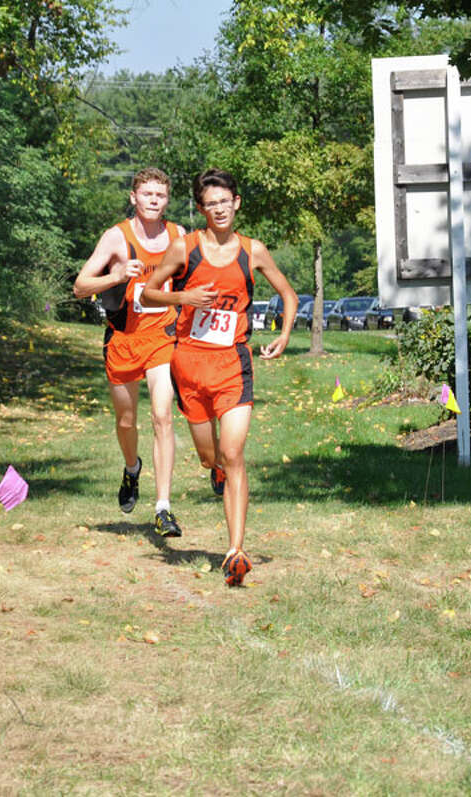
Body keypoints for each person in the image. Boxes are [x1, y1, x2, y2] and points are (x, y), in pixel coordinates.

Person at [141, 168, 298, 586]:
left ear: (236, 203)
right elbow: (146, 292)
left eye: (225, 202)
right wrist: (183, 297)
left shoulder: (253, 251)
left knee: (233, 454)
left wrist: (283, 335)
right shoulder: (184, 248)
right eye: (211, 204)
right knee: (211, 457)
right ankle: (214, 470)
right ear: (201, 209)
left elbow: (289, 294)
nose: (219, 209)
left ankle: (235, 551)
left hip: (234, 366)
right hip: (190, 367)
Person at [73, 168, 186, 537]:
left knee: (162, 415)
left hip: (162, 338)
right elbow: (80, 286)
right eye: (147, 194)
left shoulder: (178, 236)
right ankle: (132, 467)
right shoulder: (115, 238)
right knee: (126, 421)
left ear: (167, 200)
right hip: (123, 339)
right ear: (134, 198)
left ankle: (163, 507)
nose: (154, 200)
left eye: (161, 195)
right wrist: (118, 276)